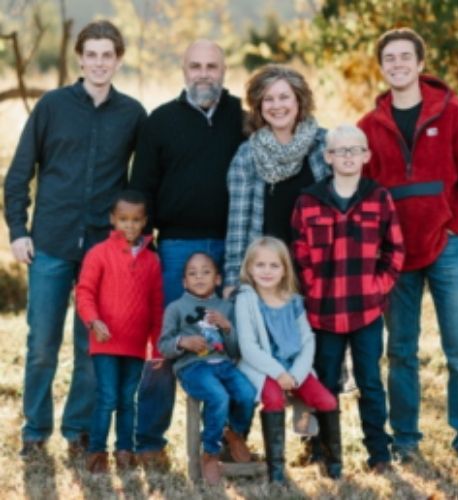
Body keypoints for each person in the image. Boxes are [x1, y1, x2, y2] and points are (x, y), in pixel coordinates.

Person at [3, 20, 146, 457]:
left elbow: (143, 180)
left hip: (104, 251)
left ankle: (79, 430)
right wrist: (18, 231)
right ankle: (35, 431)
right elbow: (18, 173)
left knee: (92, 344)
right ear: (80, 58)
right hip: (49, 242)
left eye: (108, 55)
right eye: (93, 54)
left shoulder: (132, 114)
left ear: (117, 61)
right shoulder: (51, 106)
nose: (100, 63)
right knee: (42, 343)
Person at [358, 27, 458, 464]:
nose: (397, 64)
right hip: (396, 252)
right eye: (389, 59)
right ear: (382, 68)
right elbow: (362, 186)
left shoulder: (452, 112)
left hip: (447, 245)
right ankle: (407, 441)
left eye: (404, 57)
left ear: (419, 63)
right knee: (400, 351)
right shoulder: (369, 126)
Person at [129, 39, 245, 466]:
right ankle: (149, 444)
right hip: (176, 247)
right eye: (195, 65)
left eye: (211, 66)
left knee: (233, 341)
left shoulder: (243, 119)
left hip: (233, 249)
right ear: (183, 69)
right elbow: (141, 187)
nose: (203, 73)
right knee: (166, 343)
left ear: (224, 69)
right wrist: (147, 247)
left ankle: (232, 437)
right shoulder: (160, 121)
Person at [291, 125, 405, 475]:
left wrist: (377, 288)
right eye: (340, 151)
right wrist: (314, 290)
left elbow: (395, 250)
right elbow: (300, 254)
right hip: (323, 313)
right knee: (325, 382)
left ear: (366, 156)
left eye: (355, 150)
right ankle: (327, 454)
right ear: (328, 157)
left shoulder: (379, 198)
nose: (348, 156)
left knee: (370, 381)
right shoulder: (309, 201)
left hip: (366, 311)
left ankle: (379, 454)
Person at [235, 236, 339, 484]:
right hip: (262, 368)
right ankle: (277, 472)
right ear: (249, 268)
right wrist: (277, 373)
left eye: (274, 265)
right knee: (273, 398)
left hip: (294, 369)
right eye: (260, 265)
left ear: (284, 270)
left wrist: (296, 374)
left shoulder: (293, 300)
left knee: (326, 400)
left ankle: (333, 464)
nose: (267, 271)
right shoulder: (246, 299)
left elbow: (307, 340)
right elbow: (248, 347)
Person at [223, 64, 331, 296]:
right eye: (268, 99)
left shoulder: (325, 146)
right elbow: (237, 225)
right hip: (268, 277)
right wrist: (233, 279)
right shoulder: (247, 154)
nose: (277, 106)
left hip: (320, 269)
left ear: (298, 101)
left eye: (284, 97)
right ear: (259, 107)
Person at [75, 190, 163, 473]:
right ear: (112, 219)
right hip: (105, 341)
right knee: (108, 397)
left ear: (145, 221)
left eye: (136, 220)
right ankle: (96, 452)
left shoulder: (151, 261)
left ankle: (125, 451)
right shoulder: (98, 254)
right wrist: (93, 321)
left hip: (135, 345)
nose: (129, 225)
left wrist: (157, 346)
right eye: (123, 219)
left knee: (128, 400)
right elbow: (85, 293)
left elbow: (156, 306)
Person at [158, 252, 256, 486]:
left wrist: (227, 327)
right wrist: (183, 342)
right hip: (193, 368)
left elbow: (234, 351)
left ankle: (233, 432)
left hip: (223, 364)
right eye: (192, 273)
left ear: (218, 279)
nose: (199, 277)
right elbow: (163, 345)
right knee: (218, 396)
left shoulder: (225, 307)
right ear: (184, 282)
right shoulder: (176, 308)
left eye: (206, 272)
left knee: (247, 393)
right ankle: (210, 452)